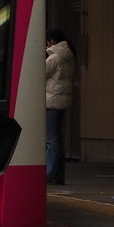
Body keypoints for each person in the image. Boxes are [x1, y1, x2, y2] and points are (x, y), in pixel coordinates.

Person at [45, 28, 75, 185]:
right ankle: (58, 174)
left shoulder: (54, 58)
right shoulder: (68, 56)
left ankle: (50, 173)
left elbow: (39, 72)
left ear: (52, 41)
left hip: (52, 101)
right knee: (58, 139)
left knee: (51, 140)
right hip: (62, 102)